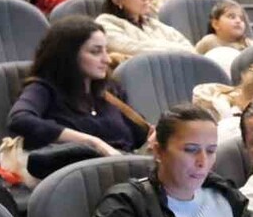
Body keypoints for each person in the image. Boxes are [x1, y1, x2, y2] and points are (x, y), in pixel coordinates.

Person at [86, 104, 252, 217]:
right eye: (191, 150)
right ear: (159, 151)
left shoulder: (227, 195)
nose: (203, 162)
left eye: (211, 151)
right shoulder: (125, 203)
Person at [8, 16, 148, 159]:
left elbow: (141, 135)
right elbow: (20, 120)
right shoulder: (42, 89)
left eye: (106, 50)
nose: (107, 59)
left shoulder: (111, 90)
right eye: (95, 52)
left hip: (126, 165)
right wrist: (92, 142)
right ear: (69, 55)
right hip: (78, 169)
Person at [96, 0, 196, 62]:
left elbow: (189, 47)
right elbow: (132, 49)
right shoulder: (104, 25)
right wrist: (178, 49)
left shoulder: (152, 23)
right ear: (117, 0)